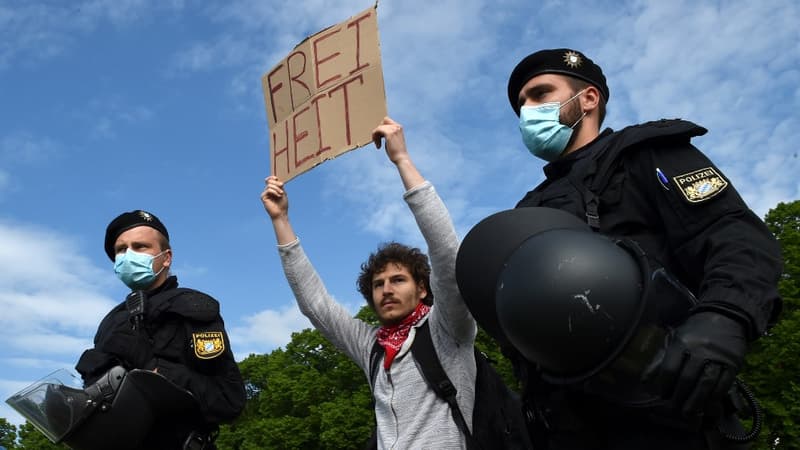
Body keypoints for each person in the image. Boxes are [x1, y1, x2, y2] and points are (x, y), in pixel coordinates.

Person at [501, 48, 783, 449]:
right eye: (521, 105)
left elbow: (733, 236)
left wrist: (724, 319)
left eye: (540, 94)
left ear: (588, 99)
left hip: (666, 407)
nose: (528, 110)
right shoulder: (527, 209)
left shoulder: (644, 154)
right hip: (568, 428)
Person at [261, 117, 477, 449]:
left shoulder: (448, 327)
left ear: (423, 288)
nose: (386, 289)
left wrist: (402, 161)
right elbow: (315, 304)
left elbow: (447, 254)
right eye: (378, 284)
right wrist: (281, 220)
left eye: (398, 280)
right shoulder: (371, 346)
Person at [75, 210, 246, 449]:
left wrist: (153, 368)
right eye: (121, 250)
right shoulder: (111, 322)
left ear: (166, 258)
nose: (128, 256)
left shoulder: (192, 308)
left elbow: (229, 401)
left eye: (140, 246)